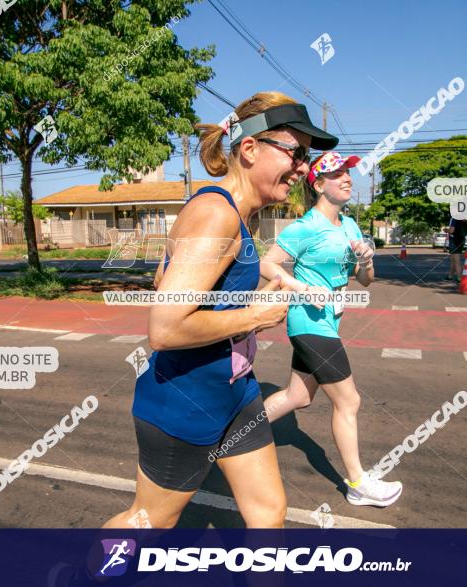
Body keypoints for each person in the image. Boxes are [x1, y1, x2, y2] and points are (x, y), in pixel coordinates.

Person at [102, 92, 339, 529]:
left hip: (236, 394)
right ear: (250, 149)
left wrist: (247, 301)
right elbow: (165, 328)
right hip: (185, 403)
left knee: (268, 512)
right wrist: (256, 316)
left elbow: (164, 278)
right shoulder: (216, 213)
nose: (305, 168)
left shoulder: (235, 213)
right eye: (297, 153)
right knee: (148, 522)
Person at [260, 152, 403, 508]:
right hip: (308, 321)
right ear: (319, 184)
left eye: (348, 172)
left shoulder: (350, 226)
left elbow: (365, 281)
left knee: (298, 398)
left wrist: (367, 259)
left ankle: (233, 433)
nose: (347, 178)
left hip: (330, 322)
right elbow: (267, 262)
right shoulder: (305, 227)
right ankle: (357, 483)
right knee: (348, 400)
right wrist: (301, 288)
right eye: (337, 173)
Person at [445, 217, 467, 282]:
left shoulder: (454, 218)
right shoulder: (464, 219)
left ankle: (459, 278)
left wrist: (446, 230)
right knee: (453, 260)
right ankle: (450, 276)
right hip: (461, 240)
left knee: (457, 261)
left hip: (454, 241)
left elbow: (452, 230)